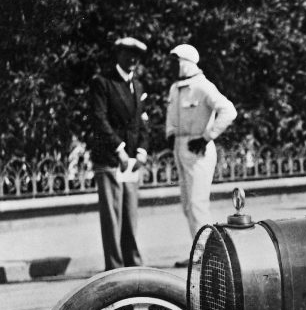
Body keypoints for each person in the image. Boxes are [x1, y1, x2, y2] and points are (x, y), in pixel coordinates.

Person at [165, 44, 237, 261]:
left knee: (198, 204)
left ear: (186, 63)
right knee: (187, 205)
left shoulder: (203, 86)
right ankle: (199, 250)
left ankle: (208, 254)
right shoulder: (176, 88)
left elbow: (228, 110)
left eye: (176, 61)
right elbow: (171, 115)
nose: (172, 66)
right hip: (181, 147)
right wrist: (170, 133)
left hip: (198, 150)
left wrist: (207, 137)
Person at [90, 36, 150, 270]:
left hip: (131, 162)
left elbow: (142, 123)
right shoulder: (102, 82)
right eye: (128, 54)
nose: (133, 59)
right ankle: (114, 269)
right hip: (110, 159)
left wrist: (142, 151)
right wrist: (120, 149)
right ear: (119, 54)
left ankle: (133, 265)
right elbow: (99, 119)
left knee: (130, 215)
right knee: (112, 218)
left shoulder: (138, 86)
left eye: (137, 55)